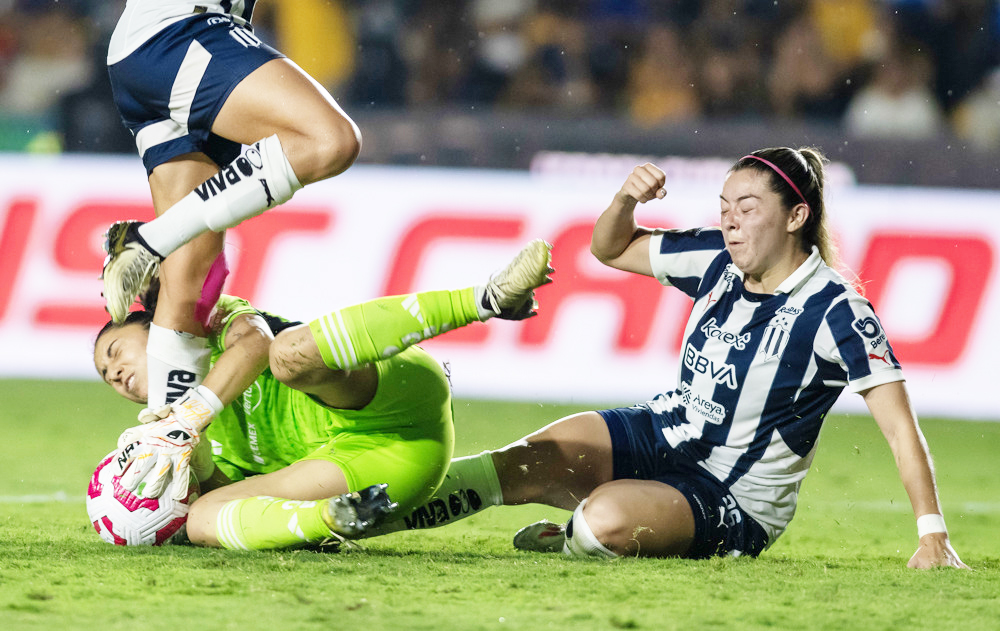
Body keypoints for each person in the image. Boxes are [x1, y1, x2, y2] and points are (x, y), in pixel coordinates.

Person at [358, 149, 968, 569]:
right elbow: (609, 247)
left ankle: (576, 535)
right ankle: (361, 518)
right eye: (724, 205)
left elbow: (899, 429)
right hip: (664, 430)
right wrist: (626, 198)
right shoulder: (715, 259)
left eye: (747, 207)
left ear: (797, 216)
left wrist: (931, 533)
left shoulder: (837, 311)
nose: (729, 221)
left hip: (733, 496)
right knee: (523, 460)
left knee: (604, 523)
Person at [94, 239, 553, 550]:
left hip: (385, 394)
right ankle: (330, 522)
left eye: (114, 351)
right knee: (201, 519)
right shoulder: (188, 440)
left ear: (152, 328)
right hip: (388, 467)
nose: (113, 373)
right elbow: (242, 497)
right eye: (105, 376)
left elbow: (255, 343)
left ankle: (487, 298)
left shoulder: (207, 326)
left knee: (288, 354)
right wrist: (200, 468)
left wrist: (191, 416)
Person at [100, 0, 363, 413]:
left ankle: (173, 452)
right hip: (181, 32)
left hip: (148, 52)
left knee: (190, 290)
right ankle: (149, 240)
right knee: (330, 141)